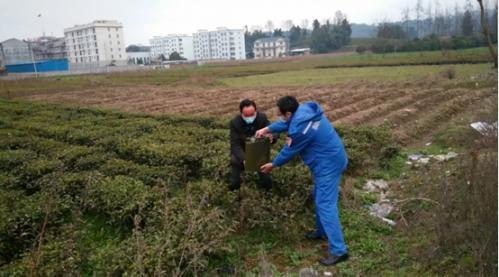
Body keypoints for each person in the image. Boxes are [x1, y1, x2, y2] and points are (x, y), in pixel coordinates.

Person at [255, 96, 349, 266]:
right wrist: (267, 128)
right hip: (332, 157)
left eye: (282, 115)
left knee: (326, 204)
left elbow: (289, 150)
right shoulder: (304, 111)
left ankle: (339, 250)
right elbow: (286, 123)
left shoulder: (299, 128)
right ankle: (322, 232)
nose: (282, 118)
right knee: (319, 196)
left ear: (289, 113)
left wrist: (273, 164)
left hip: (328, 165)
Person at [229, 99, 276, 191]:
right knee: (234, 182)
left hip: (258, 152)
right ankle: (236, 195)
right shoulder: (235, 122)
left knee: (266, 180)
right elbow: (235, 145)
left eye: (252, 114)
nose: (250, 117)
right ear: (241, 113)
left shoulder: (262, 117)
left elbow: (272, 129)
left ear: (255, 111)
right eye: (247, 115)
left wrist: (272, 137)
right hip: (241, 152)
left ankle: (265, 194)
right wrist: (244, 159)